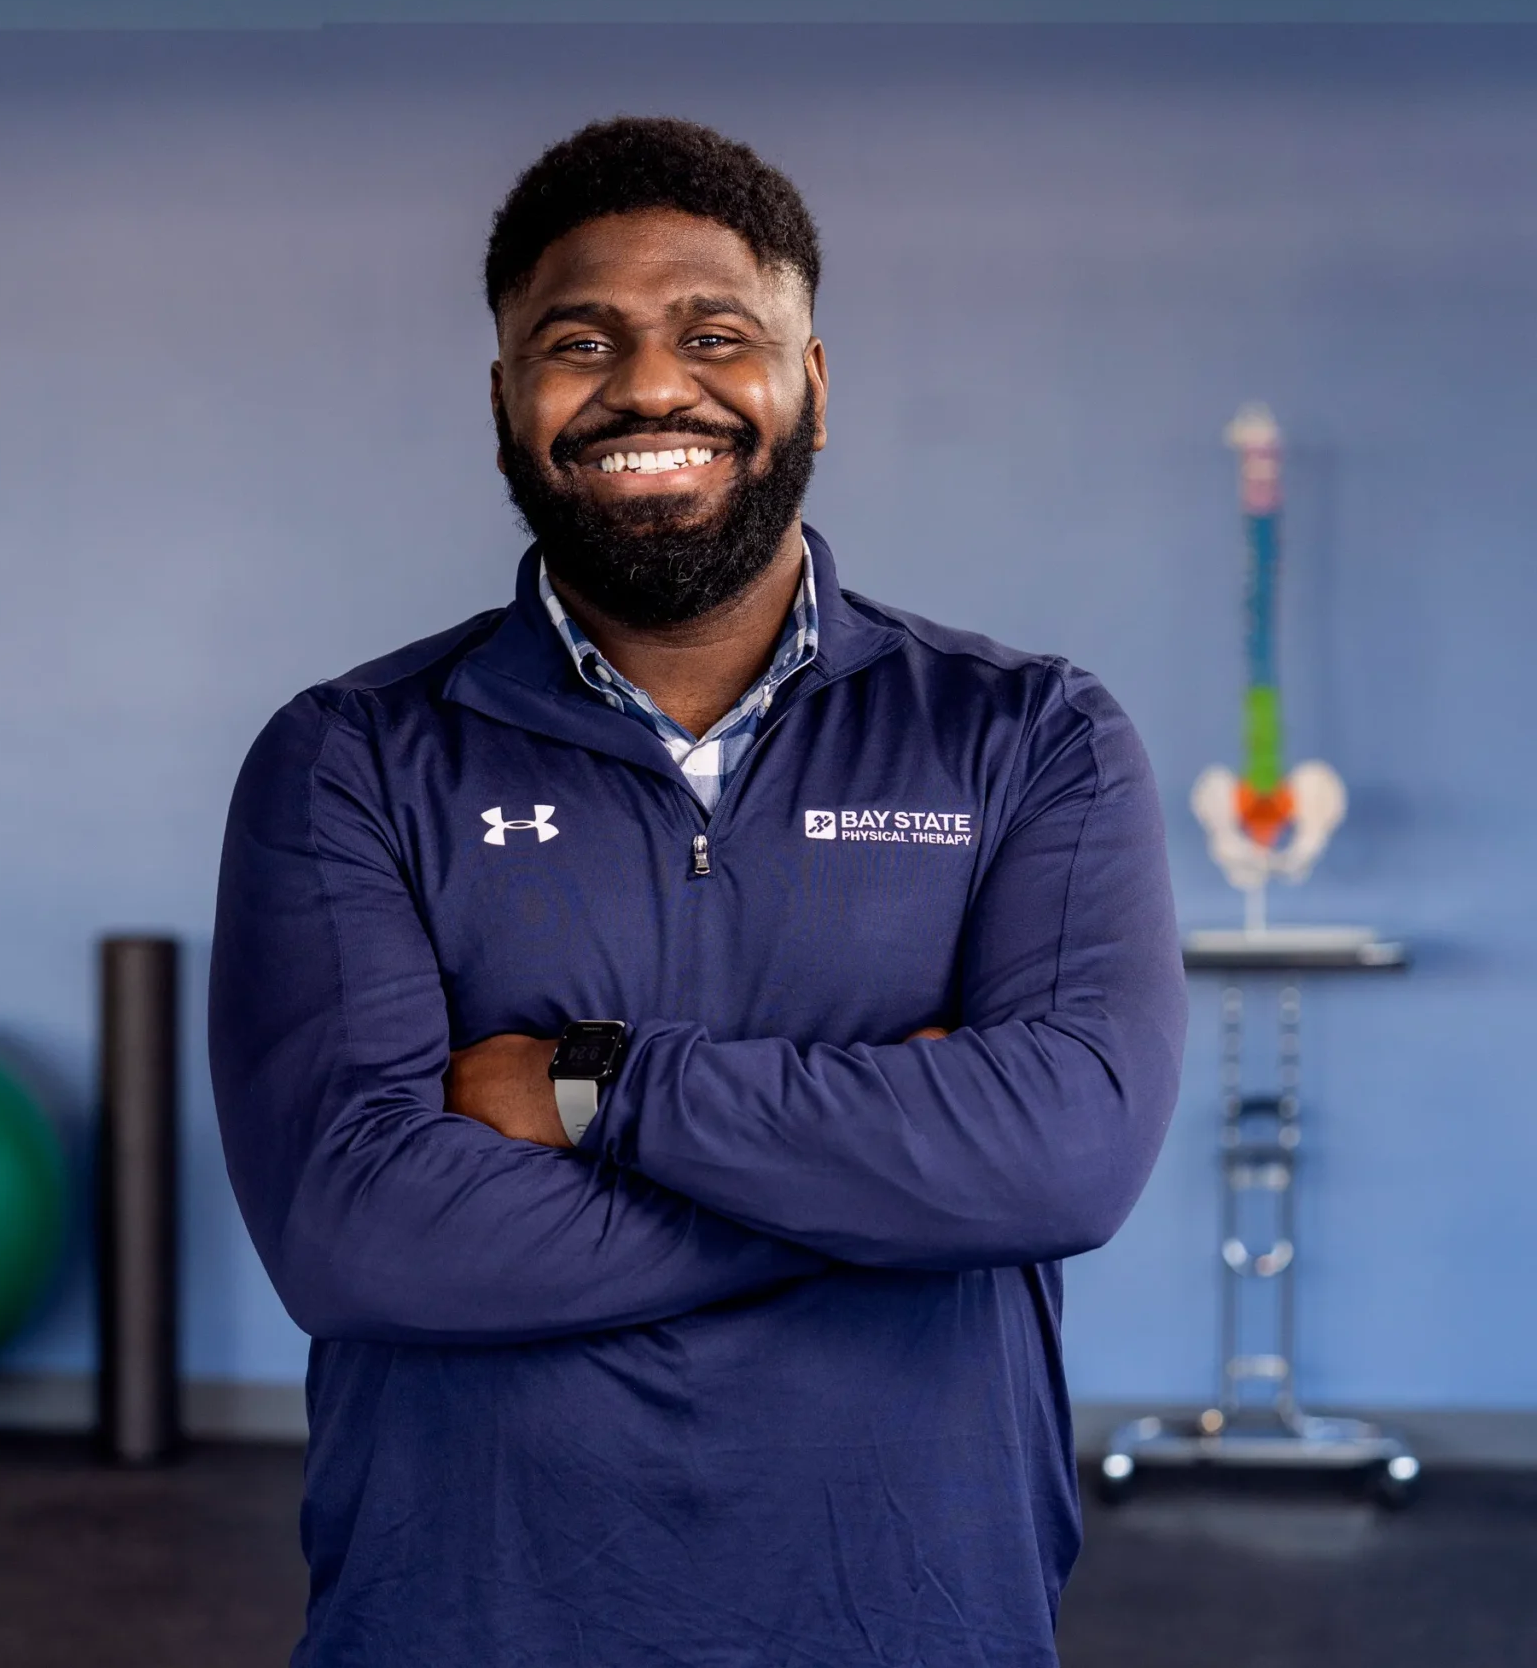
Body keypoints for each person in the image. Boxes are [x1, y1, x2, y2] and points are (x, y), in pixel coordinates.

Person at [209, 117, 1187, 1666]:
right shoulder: (352, 756)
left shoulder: (1028, 734)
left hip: (913, 1614)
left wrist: (599, 1084)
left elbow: (1065, 1158)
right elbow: (360, 1234)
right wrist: (896, 1192)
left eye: (716, 334)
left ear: (813, 384)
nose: (651, 386)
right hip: (470, 1618)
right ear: (504, 398)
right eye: (579, 341)